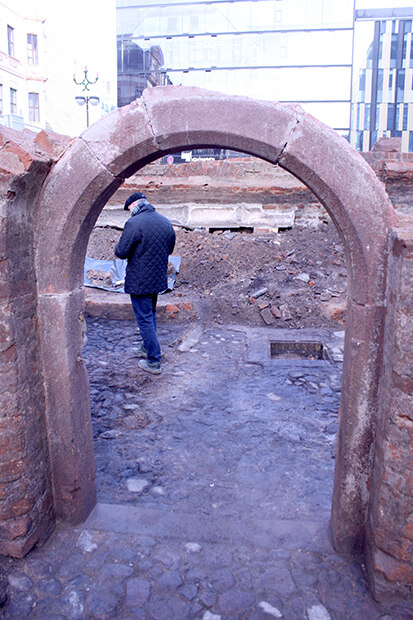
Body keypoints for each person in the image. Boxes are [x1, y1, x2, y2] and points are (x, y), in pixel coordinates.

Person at [115, 192, 176, 374]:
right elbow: (170, 248)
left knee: (144, 318)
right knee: (150, 314)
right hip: (157, 278)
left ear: (133, 206)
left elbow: (121, 252)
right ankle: (145, 347)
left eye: (129, 209)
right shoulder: (165, 222)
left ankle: (153, 361)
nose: (129, 212)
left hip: (140, 280)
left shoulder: (134, 223)